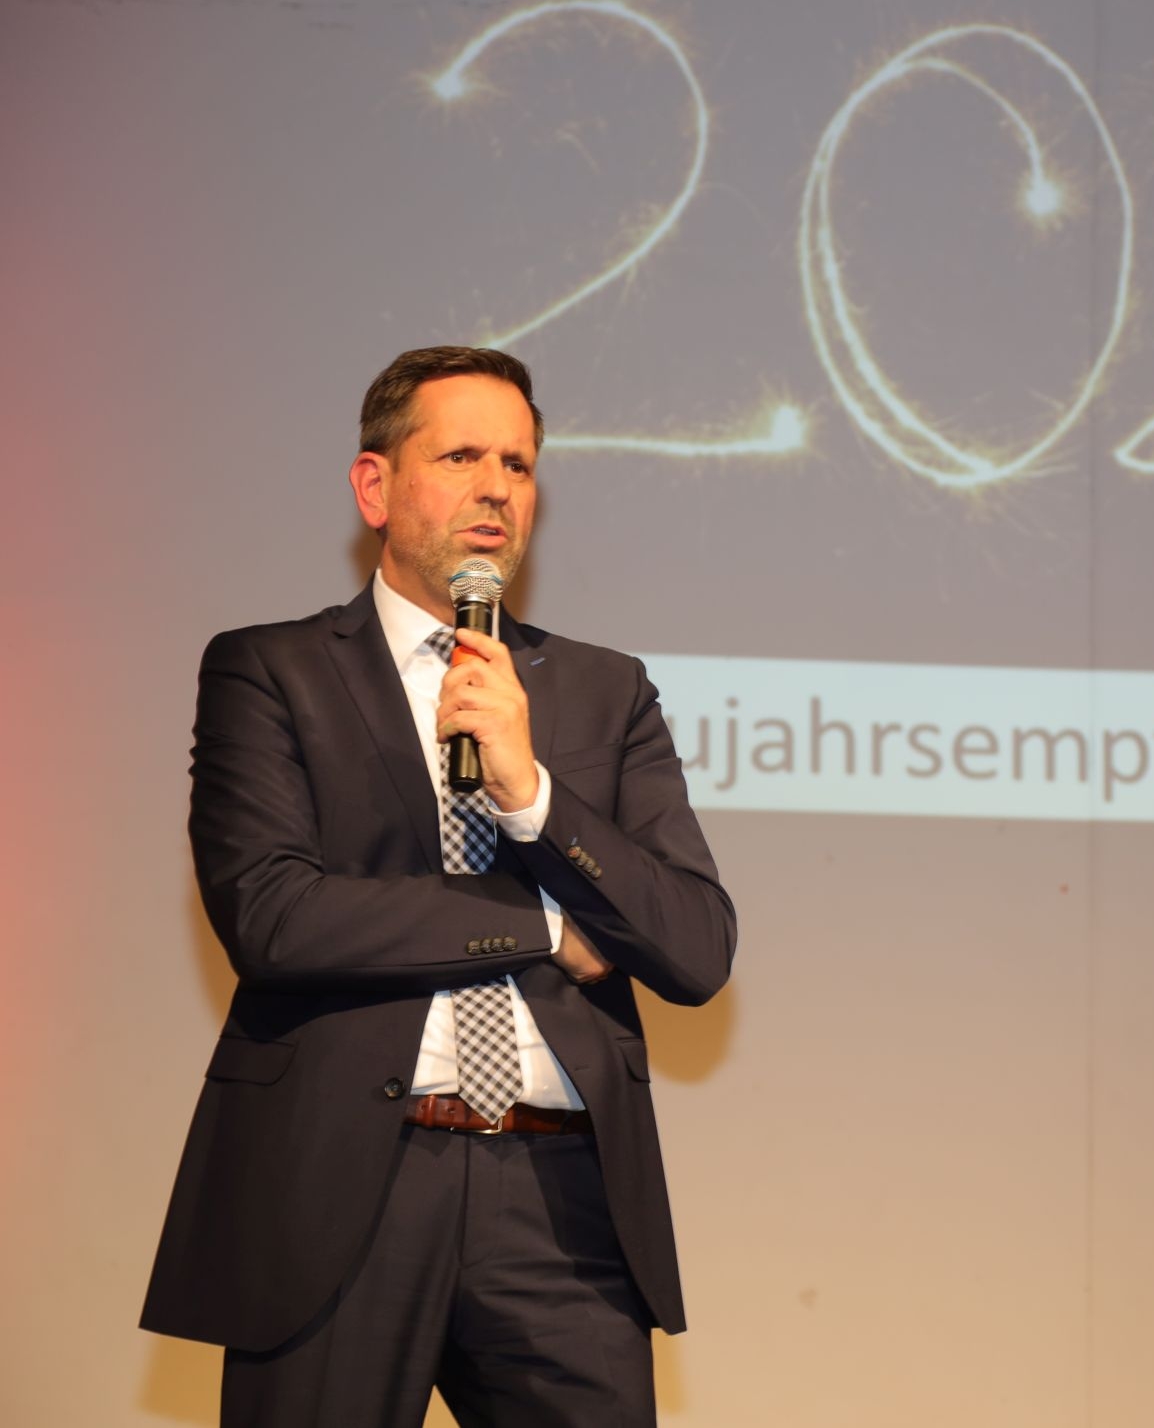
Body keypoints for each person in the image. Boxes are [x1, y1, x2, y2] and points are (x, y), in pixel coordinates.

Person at [140, 345, 736, 1427]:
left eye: (518, 463)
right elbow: (275, 917)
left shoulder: (604, 690)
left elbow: (695, 945)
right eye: (461, 456)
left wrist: (533, 796)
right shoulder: (271, 671)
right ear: (375, 486)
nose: (496, 486)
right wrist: (547, 923)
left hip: (563, 1202)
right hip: (340, 1190)